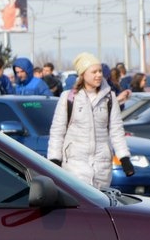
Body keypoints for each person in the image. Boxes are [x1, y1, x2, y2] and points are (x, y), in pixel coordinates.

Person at [47, 52, 132, 190]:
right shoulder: (68, 97)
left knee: (99, 209)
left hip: (102, 168)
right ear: (83, 74)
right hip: (74, 166)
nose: (98, 75)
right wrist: (54, 159)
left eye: (100, 71)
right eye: (94, 72)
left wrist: (124, 157)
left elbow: (116, 130)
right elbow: (57, 131)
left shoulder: (109, 98)